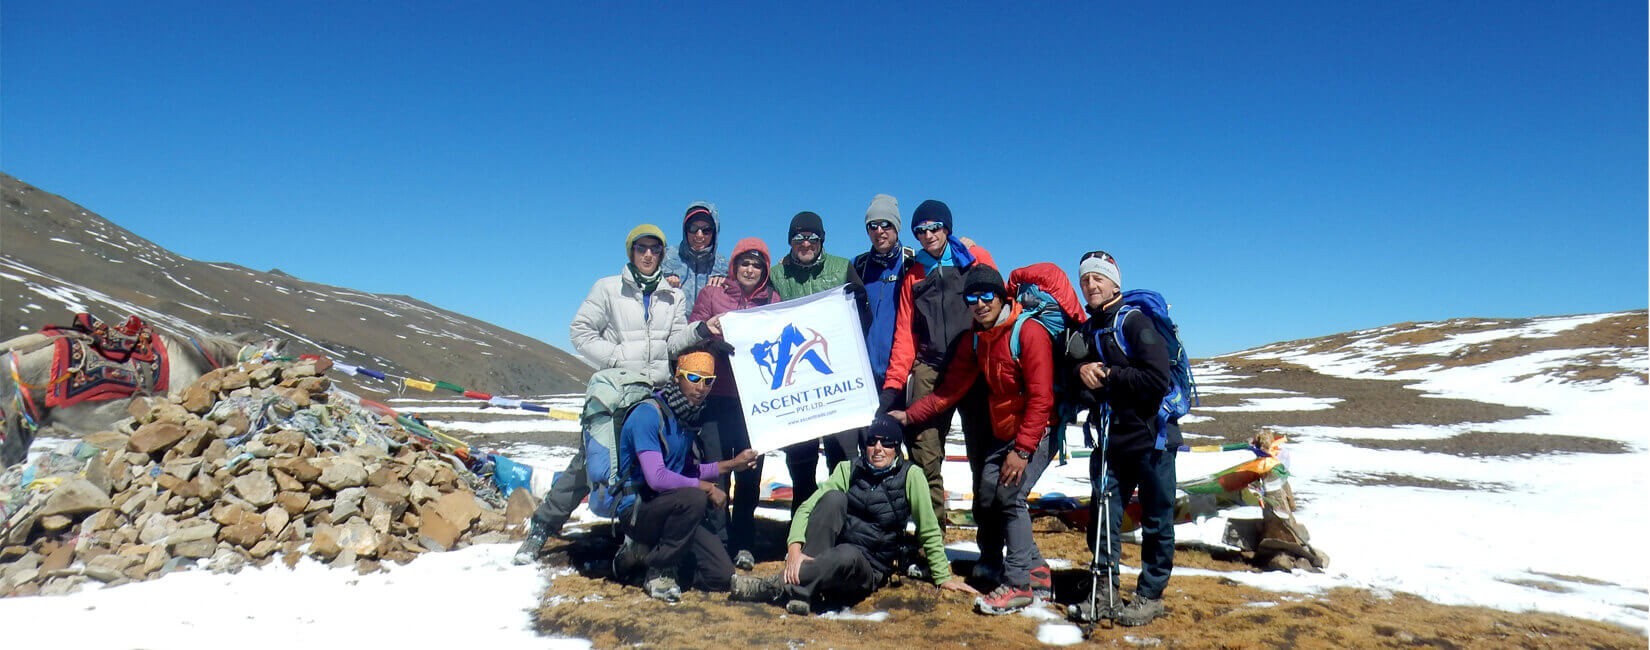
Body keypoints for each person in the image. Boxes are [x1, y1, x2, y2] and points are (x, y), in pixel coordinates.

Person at [514, 224, 706, 564]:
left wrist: (702, 330)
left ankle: (638, 538)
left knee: (654, 465)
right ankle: (543, 526)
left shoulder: (673, 296)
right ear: (630, 251)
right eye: (641, 248)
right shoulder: (607, 288)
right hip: (618, 389)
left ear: (663, 254)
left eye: (655, 249)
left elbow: (675, 342)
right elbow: (580, 332)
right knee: (591, 461)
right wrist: (616, 358)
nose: (648, 255)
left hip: (656, 394)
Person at [890, 264, 1055, 615]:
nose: (979, 304)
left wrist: (1023, 451)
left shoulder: (1029, 334)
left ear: (1002, 297)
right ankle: (1037, 569)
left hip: (1037, 430)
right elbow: (948, 392)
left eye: (986, 296)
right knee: (988, 494)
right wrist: (909, 415)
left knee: (1011, 495)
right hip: (1005, 431)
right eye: (972, 298)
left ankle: (1018, 584)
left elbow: (1042, 399)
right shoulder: (977, 338)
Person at [727, 414, 976, 614]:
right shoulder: (848, 469)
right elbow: (807, 507)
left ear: (896, 448)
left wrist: (943, 576)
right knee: (832, 499)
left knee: (848, 554)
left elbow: (929, 528)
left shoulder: (911, 476)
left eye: (887, 442)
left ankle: (771, 585)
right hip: (834, 551)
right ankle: (804, 595)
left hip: (870, 566)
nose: (878, 448)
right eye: (872, 441)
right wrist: (794, 549)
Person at [1069, 250, 1177, 627]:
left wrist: (1110, 375)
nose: (1091, 284)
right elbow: (1079, 385)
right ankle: (1103, 592)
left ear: (1115, 283)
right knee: (1103, 517)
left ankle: (1150, 595)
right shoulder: (1089, 329)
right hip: (1110, 439)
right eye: (1085, 279)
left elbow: (1156, 380)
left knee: (1156, 519)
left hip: (1152, 438)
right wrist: (1082, 371)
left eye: (1098, 278)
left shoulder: (1134, 322)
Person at [877, 199, 996, 525]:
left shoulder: (973, 259)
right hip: (929, 368)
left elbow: (997, 306)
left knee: (983, 458)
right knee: (924, 459)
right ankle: (932, 544)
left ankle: (989, 551)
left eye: (935, 227)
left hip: (974, 367)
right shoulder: (914, 274)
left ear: (947, 228)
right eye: (920, 230)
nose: (928, 235)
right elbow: (905, 336)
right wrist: (892, 387)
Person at [611, 349, 760, 601]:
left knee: (721, 576)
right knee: (694, 498)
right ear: (677, 376)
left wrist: (733, 464)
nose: (701, 387)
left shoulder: (686, 419)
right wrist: (708, 487)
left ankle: (642, 555)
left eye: (708, 381)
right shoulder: (648, 414)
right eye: (693, 377)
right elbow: (657, 477)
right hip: (637, 510)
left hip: (671, 509)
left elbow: (689, 472)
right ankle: (659, 570)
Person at [767, 210, 869, 512]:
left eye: (812, 237)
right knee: (800, 459)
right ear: (790, 241)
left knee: (842, 456)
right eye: (798, 237)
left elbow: (864, 317)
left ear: (822, 239)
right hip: (796, 381)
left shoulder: (841, 268)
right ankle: (801, 523)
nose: (806, 242)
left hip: (836, 375)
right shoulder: (777, 275)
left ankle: (845, 521)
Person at [689, 237, 781, 569]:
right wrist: (714, 342)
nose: (750, 269)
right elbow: (693, 330)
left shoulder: (773, 301)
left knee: (749, 473)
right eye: (745, 262)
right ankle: (717, 541)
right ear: (734, 265)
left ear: (766, 270)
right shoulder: (712, 294)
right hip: (715, 399)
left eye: (757, 265)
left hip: (754, 403)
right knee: (716, 471)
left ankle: (743, 541)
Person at [851, 194, 915, 388]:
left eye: (886, 224)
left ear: (897, 227)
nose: (879, 231)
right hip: (865, 374)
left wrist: (964, 246)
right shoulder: (857, 266)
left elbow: (947, 262)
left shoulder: (912, 262)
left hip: (902, 372)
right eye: (873, 225)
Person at [662, 201, 729, 307]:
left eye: (706, 230)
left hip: (709, 323)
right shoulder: (664, 257)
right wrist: (663, 282)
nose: (699, 235)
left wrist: (729, 284)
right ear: (685, 230)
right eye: (693, 228)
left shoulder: (725, 267)